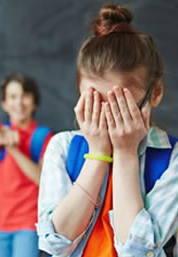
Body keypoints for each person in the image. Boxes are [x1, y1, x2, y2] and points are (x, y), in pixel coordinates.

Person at [37, 4, 178, 257]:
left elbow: (138, 251)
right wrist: (98, 154)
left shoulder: (173, 158)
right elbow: (55, 244)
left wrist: (125, 154)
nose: (108, 120)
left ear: (155, 94)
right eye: (94, 105)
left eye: (121, 107)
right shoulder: (62, 147)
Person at [0, 73, 52, 257]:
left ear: (35, 102)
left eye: (25, 95)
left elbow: (41, 178)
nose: (19, 102)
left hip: (28, 221)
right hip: (0, 221)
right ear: (4, 103)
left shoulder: (43, 136)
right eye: (13, 97)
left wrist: (14, 149)